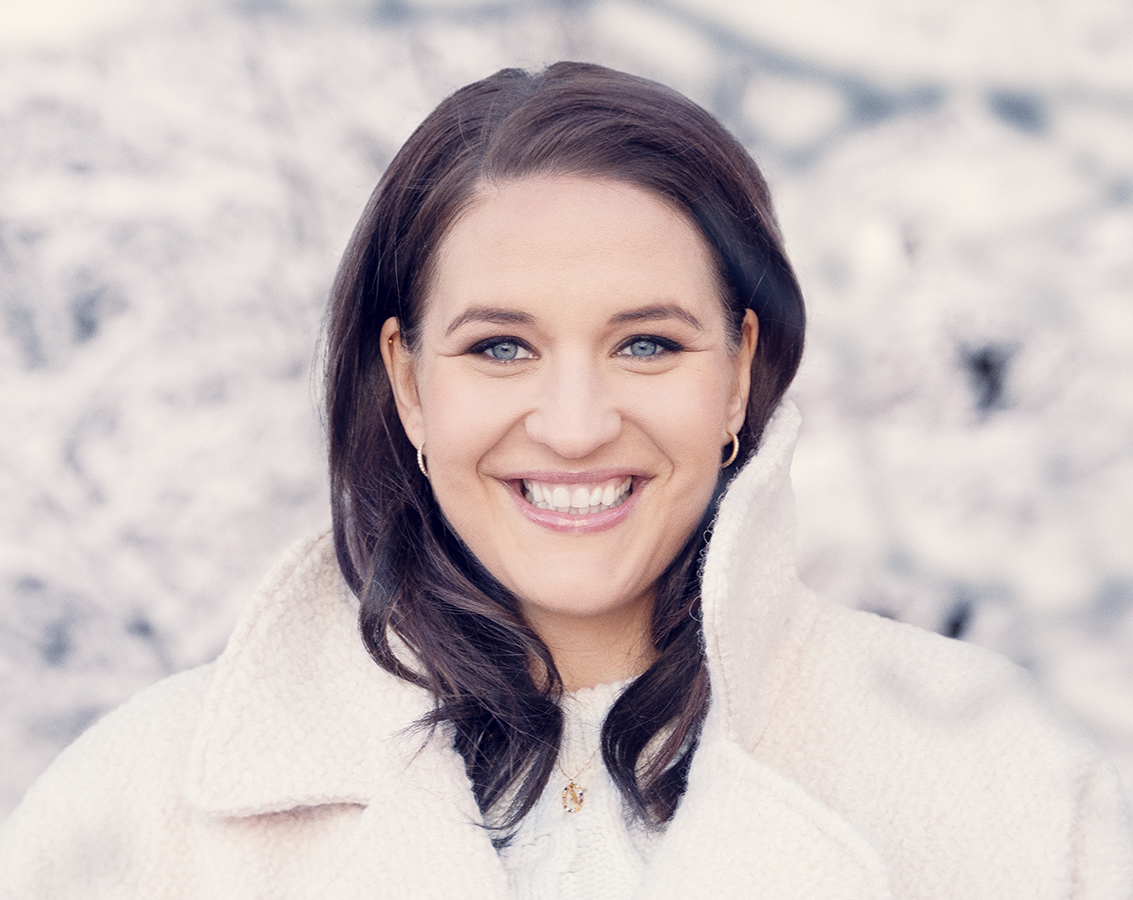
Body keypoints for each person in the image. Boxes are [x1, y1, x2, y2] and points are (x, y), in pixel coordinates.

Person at [0, 61, 1130, 899]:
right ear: (405, 381)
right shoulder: (141, 810)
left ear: (739, 372)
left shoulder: (1011, 782)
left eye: (648, 344)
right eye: (500, 347)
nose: (578, 425)